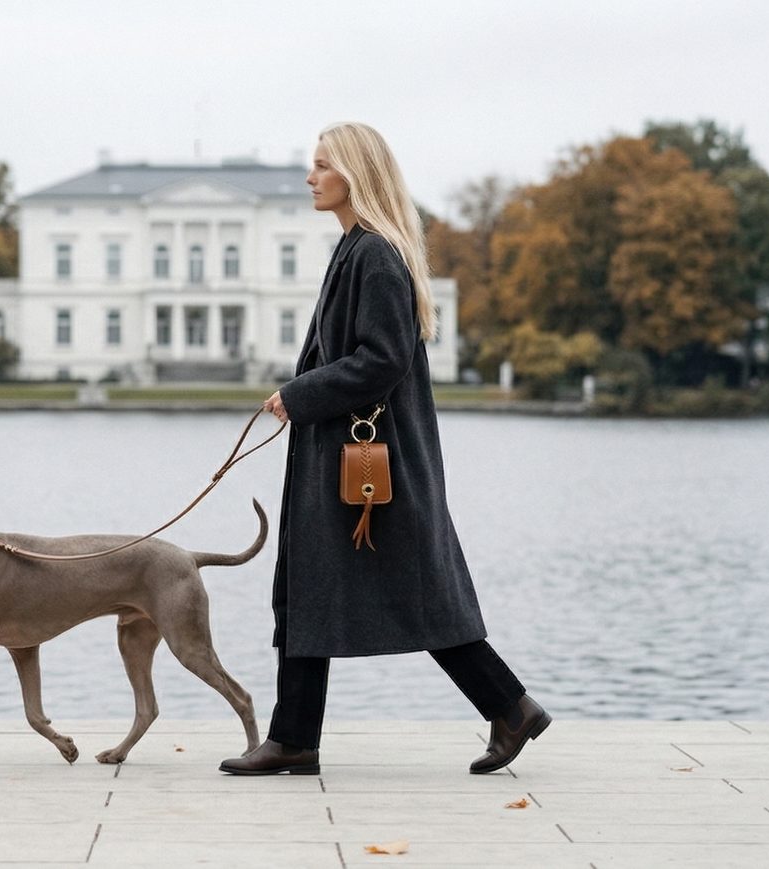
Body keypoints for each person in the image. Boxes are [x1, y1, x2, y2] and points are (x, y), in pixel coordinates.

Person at [219, 122, 551, 776]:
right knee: (319, 586)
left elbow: (383, 359)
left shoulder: (373, 253)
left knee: (412, 594)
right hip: (351, 455)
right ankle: (295, 737)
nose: (310, 177)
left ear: (356, 174)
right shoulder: (358, 247)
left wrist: (300, 393)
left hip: (370, 463)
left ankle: (509, 706)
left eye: (322, 165)